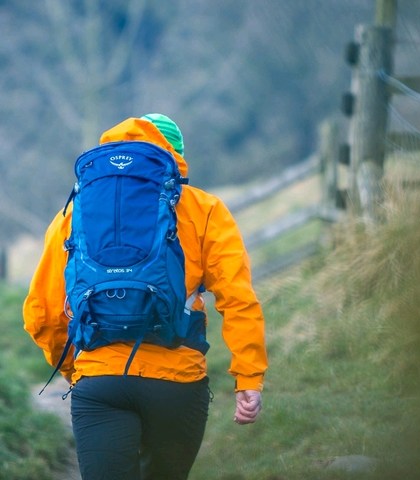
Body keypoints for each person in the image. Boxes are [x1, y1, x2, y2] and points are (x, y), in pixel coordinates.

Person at [23, 113, 268, 480]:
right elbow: (238, 299)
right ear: (176, 156)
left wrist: (75, 366)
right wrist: (248, 378)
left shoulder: (75, 213)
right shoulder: (204, 209)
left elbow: (41, 312)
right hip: (177, 383)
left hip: (100, 381)